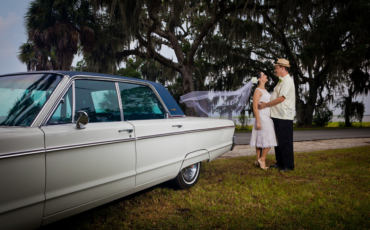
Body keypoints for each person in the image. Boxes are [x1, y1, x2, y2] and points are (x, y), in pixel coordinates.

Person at [258, 58, 296, 172]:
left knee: (285, 141)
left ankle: (288, 165)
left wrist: (266, 105)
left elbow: (281, 98)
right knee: (278, 141)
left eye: (276, 68)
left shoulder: (287, 81)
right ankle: (280, 162)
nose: (275, 70)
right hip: (277, 114)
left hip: (284, 115)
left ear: (282, 68)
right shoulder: (281, 80)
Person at [250, 71, 277, 170]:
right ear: (259, 79)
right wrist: (258, 121)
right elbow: (255, 106)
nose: (266, 76)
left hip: (266, 115)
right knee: (269, 139)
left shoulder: (264, 90)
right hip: (262, 117)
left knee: (260, 138)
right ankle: (262, 159)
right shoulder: (258, 90)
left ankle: (258, 160)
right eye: (263, 75)